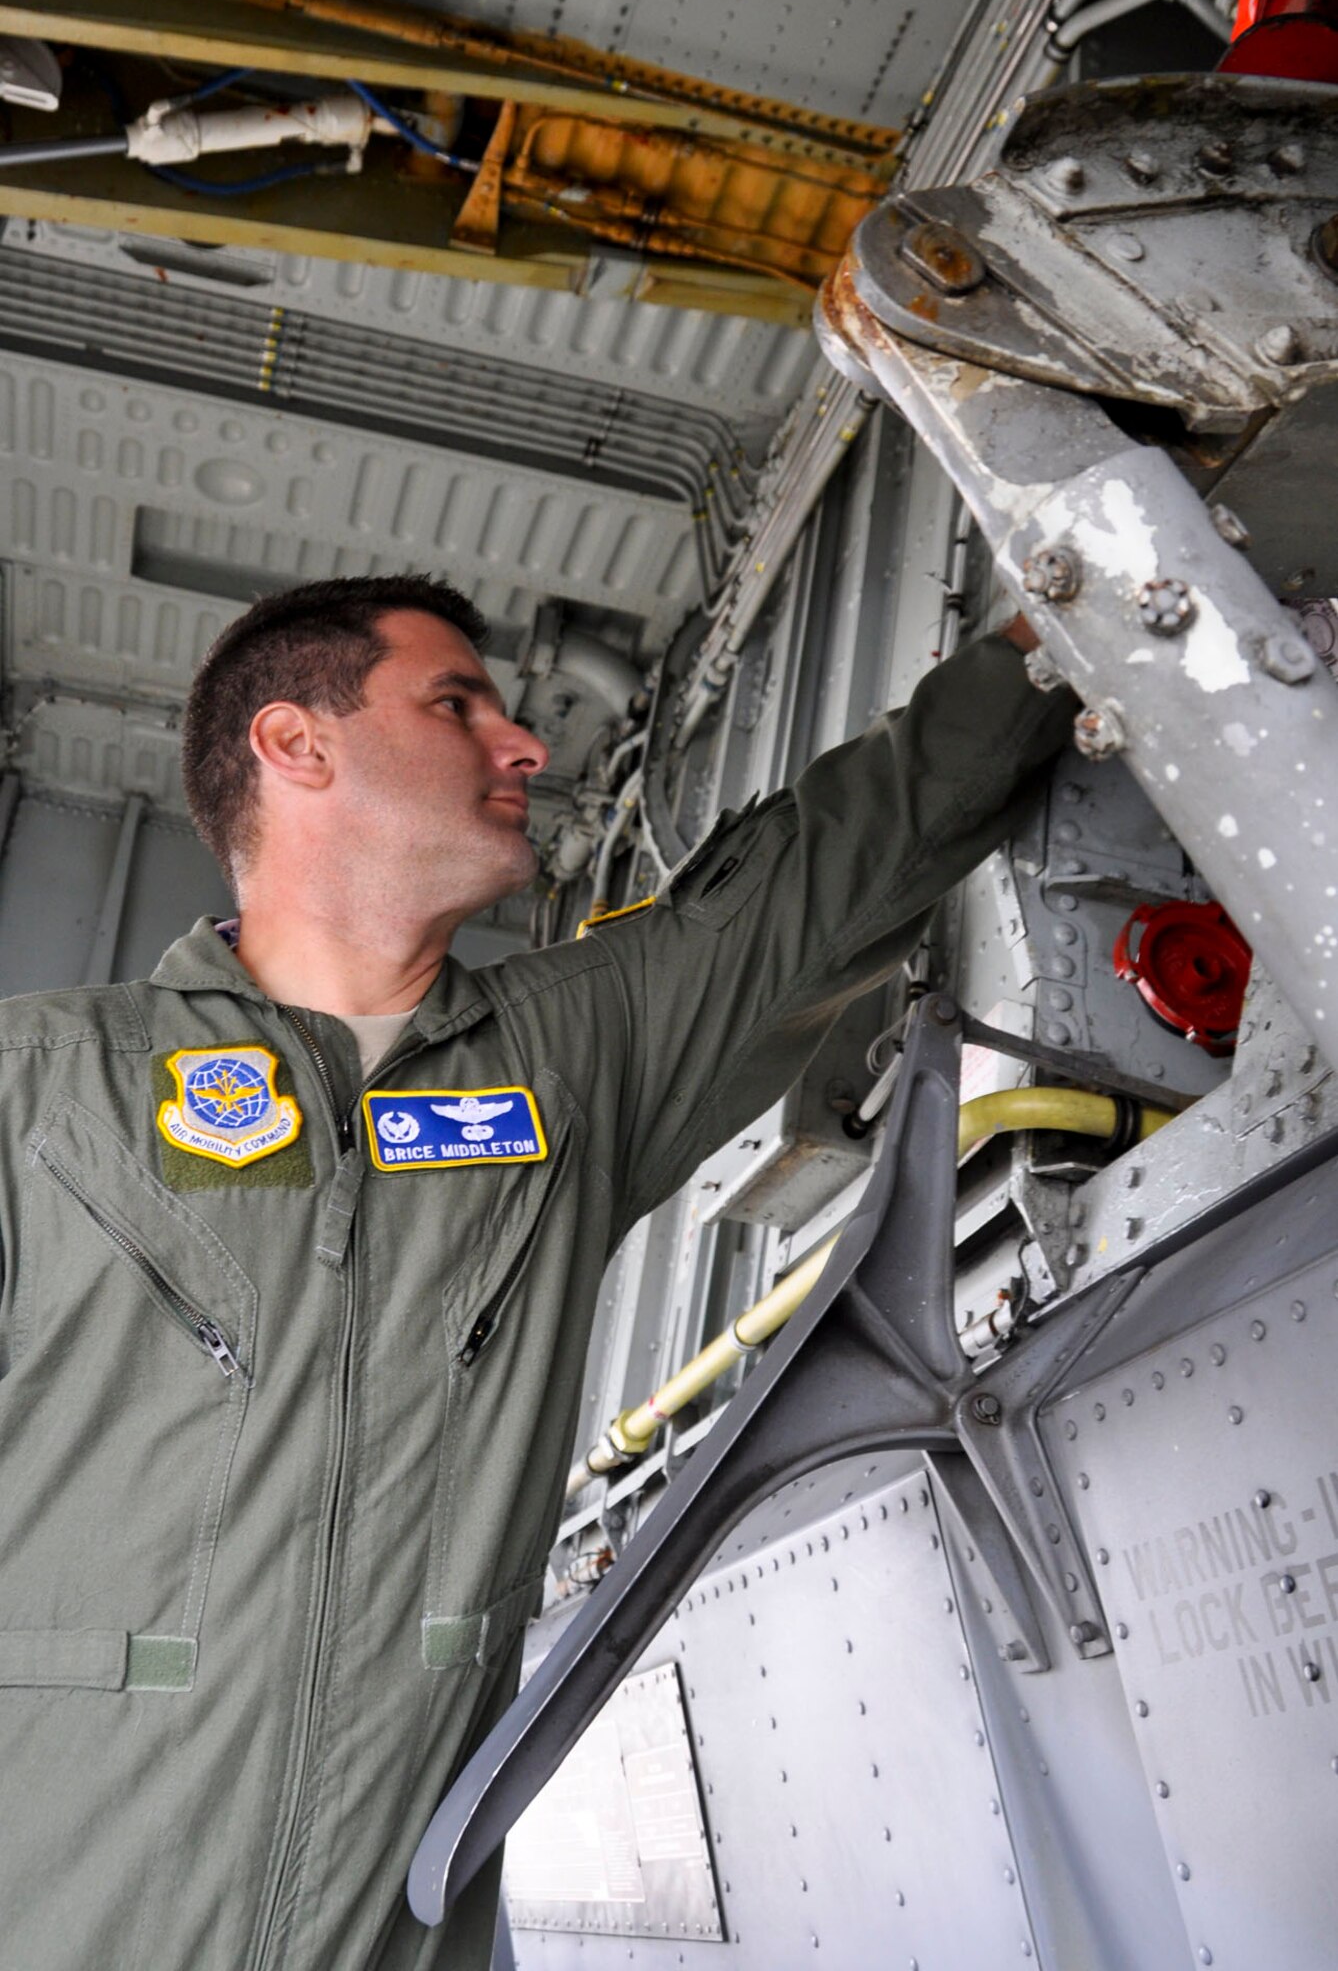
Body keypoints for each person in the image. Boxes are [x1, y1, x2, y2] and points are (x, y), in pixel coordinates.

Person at [0, 572, 1069, 1971]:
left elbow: (834, 866)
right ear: (294, 746)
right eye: (456, 703)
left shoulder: (569, 1064)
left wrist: (1048, 624)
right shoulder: (47, 1083)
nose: (525, 748)